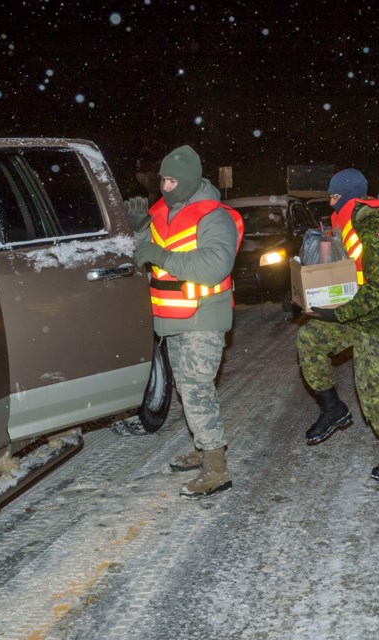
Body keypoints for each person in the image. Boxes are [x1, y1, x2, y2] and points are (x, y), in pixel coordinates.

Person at [127, 145, 243, 499]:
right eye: (162, 179)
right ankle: (203, 447)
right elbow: (144, 253)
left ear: (191, 180)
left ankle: (216, 469)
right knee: (189, 391)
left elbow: (213, 266)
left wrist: (160, 255)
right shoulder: (162, 211)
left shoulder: (213, 216)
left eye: (173, 179)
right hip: (173, 319)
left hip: (202, 317)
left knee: (196, 392)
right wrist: (137, 232)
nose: (165, 186)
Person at [297, 168, 379, 481]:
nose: (330, 201)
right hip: (359, 311)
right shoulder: (344, 221)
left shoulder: (372, 221)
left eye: (333, 195)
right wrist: (309, 294)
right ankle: (333, 408)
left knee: (373, 394)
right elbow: (342, 273)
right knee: (310, 339)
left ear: (345, 195)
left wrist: (339, 314)